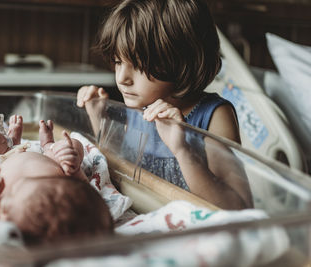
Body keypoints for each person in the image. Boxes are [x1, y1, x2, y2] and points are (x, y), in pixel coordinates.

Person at [77, 0, 253, 209]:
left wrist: (183, 150)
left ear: (181, 60)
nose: (122, 78)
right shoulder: (137, 106)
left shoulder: (214, 116)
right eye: (118, 62)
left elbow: (238, 206)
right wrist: (99, 119)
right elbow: (118, 171)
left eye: (139, 65)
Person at [0, 115, 114, 244]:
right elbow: (84, 188)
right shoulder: (62, 194)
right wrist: (74, 169)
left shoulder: (3, 221)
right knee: (73, 145)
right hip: (50, 159)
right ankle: (48, 145)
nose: (3, 205)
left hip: (3, 159)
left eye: (5, 206)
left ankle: (13, 143)